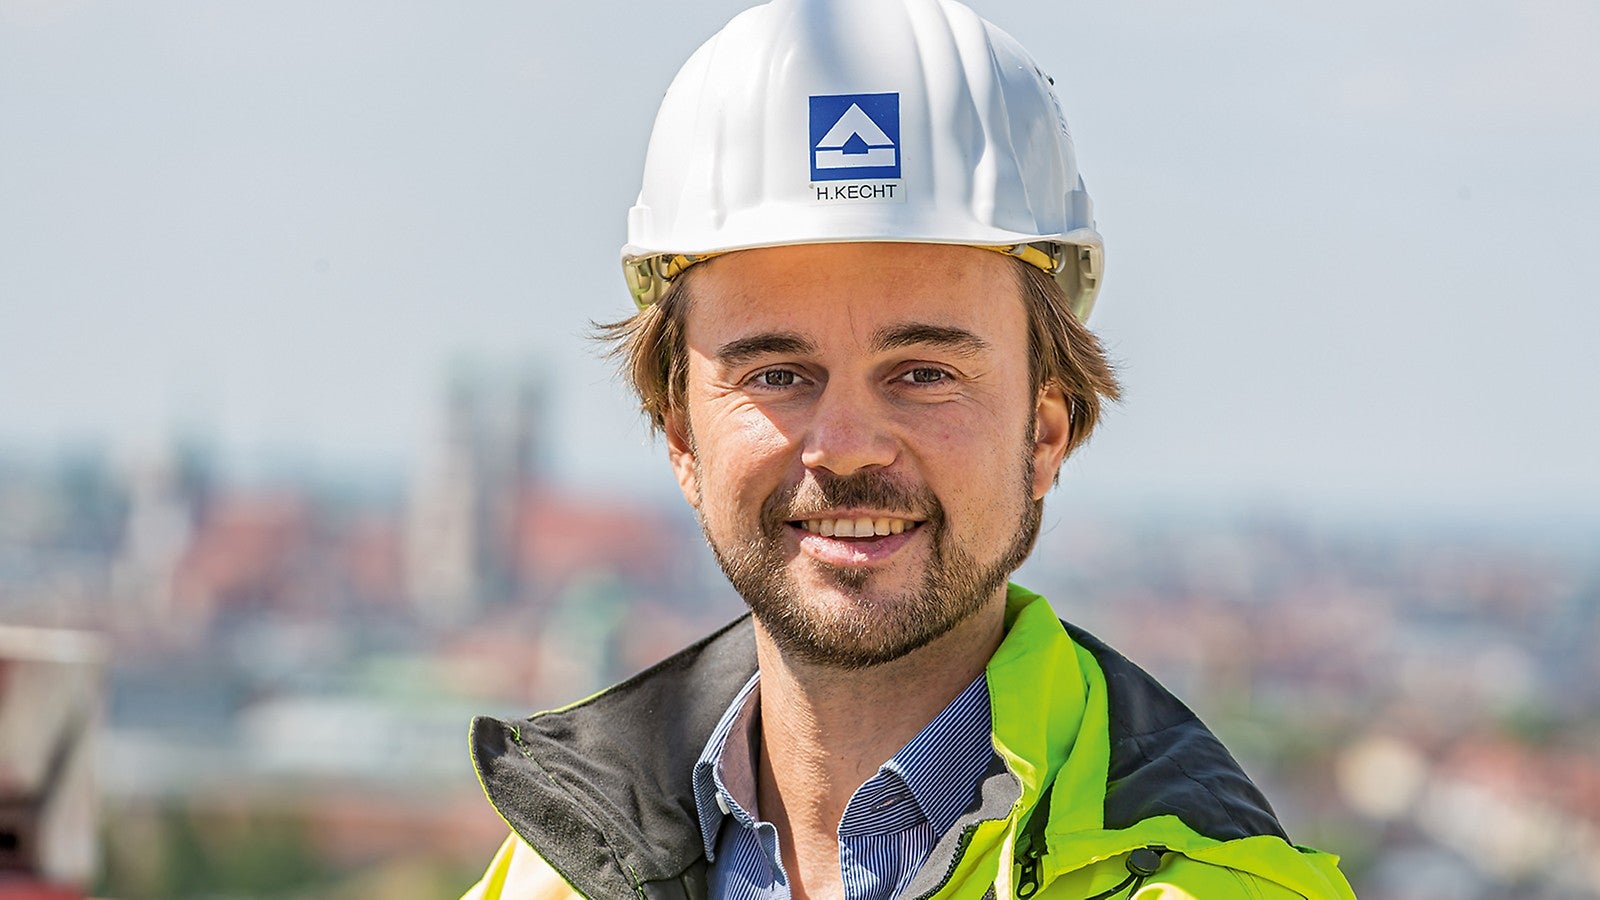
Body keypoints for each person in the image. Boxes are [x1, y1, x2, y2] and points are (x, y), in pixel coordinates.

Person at [462, 0, 1355, 897]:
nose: (845, 450)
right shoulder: (553, 877)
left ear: (1046, 431)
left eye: (925, 373)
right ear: (683, 435)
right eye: (777, 374)